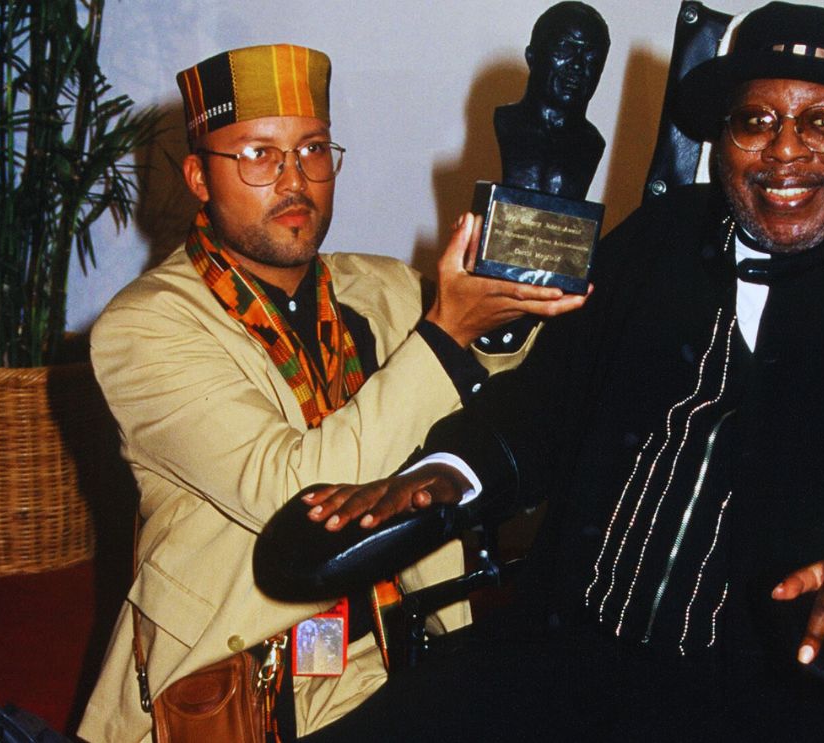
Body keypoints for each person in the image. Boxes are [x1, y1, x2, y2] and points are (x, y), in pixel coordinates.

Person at [298, 4, 824, 740]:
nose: (784, 151)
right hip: (553, 648)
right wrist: (451, 469)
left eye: (822, 122)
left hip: (759, 696)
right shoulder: (659, 236)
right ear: (722, 139)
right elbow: (546, 399)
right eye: (754, 122)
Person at [77, 43, 586, 743]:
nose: (294, 180)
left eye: (313, 150)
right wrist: (444, 333)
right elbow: (293, 493)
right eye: (258, 154)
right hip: (244, 674)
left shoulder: (375, 285)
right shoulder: (145, 327)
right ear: (198, 176)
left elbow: (493, 397)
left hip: (395, 645)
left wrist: (501, 318)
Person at [494, 1, 610, 199]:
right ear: (532, 57)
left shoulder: (591, 143)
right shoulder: (506, 123)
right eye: (565, 48)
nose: (577, 66)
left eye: (591, 55)